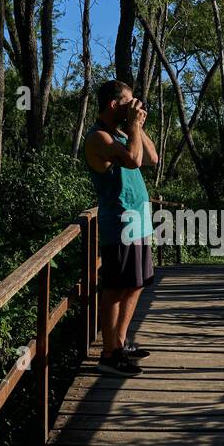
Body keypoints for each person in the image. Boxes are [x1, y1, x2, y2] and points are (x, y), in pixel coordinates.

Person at [83, 79, 160, 377]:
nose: (134, 106)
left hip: (138, 219)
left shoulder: (121, 131)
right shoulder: (99, 138)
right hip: (119, 220)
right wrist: (133, 128)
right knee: (115, 287)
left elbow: (151, 158)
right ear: (114, 105)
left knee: (136, 283)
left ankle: (120, 341)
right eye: (129, 102)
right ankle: (109, 354)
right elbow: (134, 160)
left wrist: (137, 126)